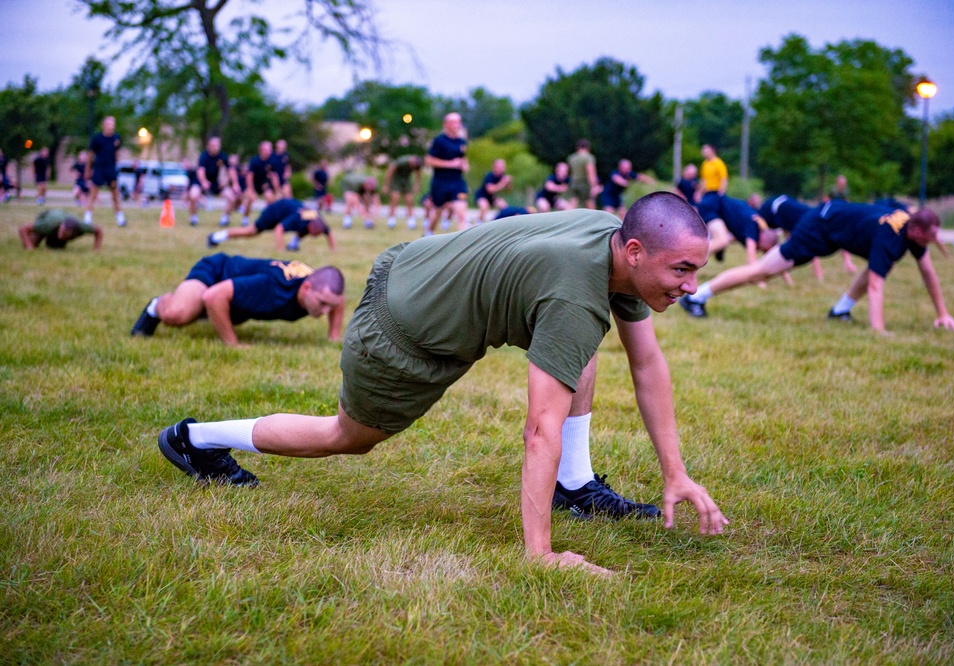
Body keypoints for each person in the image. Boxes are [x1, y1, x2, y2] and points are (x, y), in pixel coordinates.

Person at [154, 192, 728, 576]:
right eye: (682, 270)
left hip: (417, 268)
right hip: (402, 332)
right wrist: (541, 556)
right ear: (634, 250)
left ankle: (573, 487)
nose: (692, 285)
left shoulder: (613, 244)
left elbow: (647, 363)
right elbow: (538, 429)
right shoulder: (576, 292)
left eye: (695, 270)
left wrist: (675, 472)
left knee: (575, 349)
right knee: (347, 436)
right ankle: (194, 438)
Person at [679, 201, 954, 334]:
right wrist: (879, 330)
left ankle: (840, 310)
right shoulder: (892, 235)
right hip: (819, 229)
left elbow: (928, 272)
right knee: (762, 271)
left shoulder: (910, 231)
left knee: (878, 268)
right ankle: (696, 296)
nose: (932, 242)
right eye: (930, 236)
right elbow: (876, 285)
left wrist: (943, 313)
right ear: (915, 231)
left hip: (830, 224)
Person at [130, 254, 345, 346]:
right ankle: (156, 305)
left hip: (236, 295)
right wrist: (233, 344)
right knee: (178, 315)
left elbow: (338, 298)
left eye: (330, 306)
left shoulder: (318, 286)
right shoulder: (271, 287)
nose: (326, 310)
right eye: (322, 304)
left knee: (232, 314)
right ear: (306, 288)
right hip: (215, 272)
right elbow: (213, 296)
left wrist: (333, 335)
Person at [207, 198, 334, 253]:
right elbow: (279, 229)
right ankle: (215, 237)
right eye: (315, 233)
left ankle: (293, 245)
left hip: (286, 211)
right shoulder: (298, 217)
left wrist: (333, 250)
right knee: (249, 232)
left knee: (302, 230)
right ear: (312, 226)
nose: (315, 236)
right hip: (273, 213)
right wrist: (281, 250)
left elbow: (329, 233)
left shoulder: (317, 218)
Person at [700, 194, 780, 266]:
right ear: (764, 239)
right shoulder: (753, 228)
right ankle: (691, 257)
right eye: (764, 250)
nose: (760, 251)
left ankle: (712, 248)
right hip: (713, 206)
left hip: (716, 205)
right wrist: (760, 281)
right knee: (722, 241)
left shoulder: (759, 223)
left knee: (723, 240)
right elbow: (751, 260)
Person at [425, 113, 469, 234]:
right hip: (441, 181)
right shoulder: (439, 141)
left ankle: (465, 244)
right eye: (454, 122)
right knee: (437, 211)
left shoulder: (461, 142)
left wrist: (465, 165)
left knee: (461, 212)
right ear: (446, 124)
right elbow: (429, 160)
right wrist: (451, 164)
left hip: (457, 181)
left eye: (459, 122)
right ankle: (428, 233)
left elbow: (463, 158)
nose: (458, 124)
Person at [188, 137, 240, 227]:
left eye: (218, 146)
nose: (217, 148)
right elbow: (200, 171)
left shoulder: (222, 156)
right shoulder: (204, 156)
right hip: (200, 181)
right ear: (210, 146)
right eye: (215, 146)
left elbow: (231, 170)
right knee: (193, 195)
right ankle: (193, 218)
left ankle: (225, 219)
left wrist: (235, 184)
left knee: (231, 197)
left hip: (214, 182)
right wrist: (204, 182)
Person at [85, 116, 126, 227]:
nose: (111, 126)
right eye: (109, 123)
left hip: (110, 169)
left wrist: (116, 167)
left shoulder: (116, 138)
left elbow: (116, 153)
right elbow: (90, 154)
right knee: (93, 193)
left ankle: (120, 219)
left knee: (115, 194)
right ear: (103, 125)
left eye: (113, 124)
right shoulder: (97, 139)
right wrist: (88, 169)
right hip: (99, 168)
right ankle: (87, 218)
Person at [19, 208, 103, 251]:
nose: (62, 235)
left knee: (56, 248)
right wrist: (30, 248)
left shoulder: (81, 226)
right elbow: (23, 229)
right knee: (32, 243)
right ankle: (41, 235)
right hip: (47, 218)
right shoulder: (48, 224)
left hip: (59, 222)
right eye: (62, 233)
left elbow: (99, 231)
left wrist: (97, 249)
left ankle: (52, 240)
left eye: (65, 235)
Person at [383, 155, 424, 229]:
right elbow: (390, 171)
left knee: (409, 199)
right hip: (396, 179)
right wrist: (386, 185)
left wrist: (417, 185)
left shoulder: (417, 165)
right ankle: (391, 220)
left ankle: (411, 220)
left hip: (406, 180)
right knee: (395, 198)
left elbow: (418, 174)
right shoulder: (402, 162)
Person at [694, 145, 728, 229]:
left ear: (712, 150)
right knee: (702, 209)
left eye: (706, 150)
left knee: (709, 210)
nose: (703, 152)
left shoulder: (718, 163)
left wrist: (722, 191)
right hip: (707, 193)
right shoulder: (705, 164)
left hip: (715, 192)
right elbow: (703, 180)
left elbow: (724, 178)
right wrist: (699, 192)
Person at [474, 159, 512, 223]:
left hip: (493, 197)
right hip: (482, 195)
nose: (502, 169)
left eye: (503, 167)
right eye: (500, 167)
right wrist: (503, 182)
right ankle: (478, 222)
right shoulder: (489, 176)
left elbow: (508, 191)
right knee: (484, 207)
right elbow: (490, 190)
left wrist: (509, 183)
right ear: (494, 167)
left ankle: (496, 221)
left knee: (505, 207)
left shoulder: (503, 176)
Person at [246, 141, 279, 212]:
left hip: (264, 185)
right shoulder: (255, 161)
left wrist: (277, 190)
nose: (269, 152)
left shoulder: (272, 161)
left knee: (271, 199)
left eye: (270, 150)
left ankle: (265, 216)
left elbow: (274, 176)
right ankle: (245, 217)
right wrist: (251, 189)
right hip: (254, 184)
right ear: (261, 150)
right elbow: (249, 176)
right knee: (250, 200)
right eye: (267, 150)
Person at [566, 139, 600, 209]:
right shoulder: (588, 157)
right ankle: (593, 219)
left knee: (572, 203)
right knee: (589, 203)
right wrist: (594, 185)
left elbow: (569, 171)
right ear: (588, 148)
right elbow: (590, 172)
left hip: (573, 182)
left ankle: (568, 218)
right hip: (584, 183)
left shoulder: (572, 158)